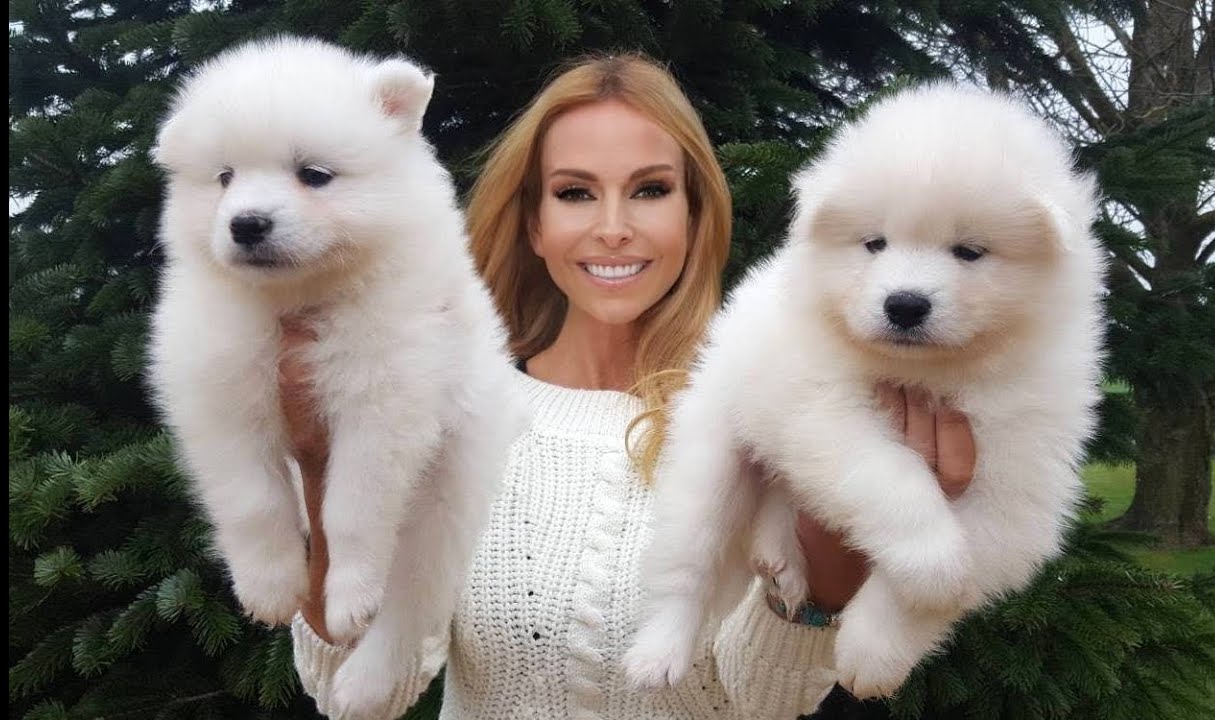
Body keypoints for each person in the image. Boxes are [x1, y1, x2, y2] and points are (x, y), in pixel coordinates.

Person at [280, 53, 977, 720]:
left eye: (649, 191)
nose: (613, 229)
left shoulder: (768, 405)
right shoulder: (451, 406)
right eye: (576, 193)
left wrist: (833, 554)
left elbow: (765, 700)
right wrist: (317, 465)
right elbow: (355, 693)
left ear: (694, 216)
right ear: (536, 223)